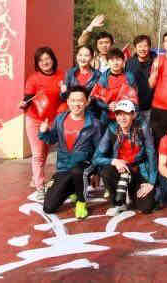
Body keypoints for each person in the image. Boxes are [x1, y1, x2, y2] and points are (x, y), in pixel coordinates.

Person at [39, 85, 103, 219]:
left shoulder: (94, 124)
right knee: (49, 207)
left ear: (87, 102)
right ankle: (73, 188)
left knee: (78, 171)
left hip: (84, 165)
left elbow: (99, 150)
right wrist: (44, 132)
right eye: (73, 100)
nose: (76, 104)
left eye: (80, 100)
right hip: (64, 167)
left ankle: (81, 202)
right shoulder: (60, 119)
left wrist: (97, 172)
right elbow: (52, 139)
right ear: (68, 101)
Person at [93, 100, 156, 215]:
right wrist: (115, 161)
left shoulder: (143, 128)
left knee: (146, 207)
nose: (122, 118)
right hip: (121, 169)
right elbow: (96, 158)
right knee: (107, 171)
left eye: (126, 114)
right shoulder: (112, 129)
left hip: (139, 170)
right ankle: (118, 203)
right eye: (119, 114)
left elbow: (151, 154)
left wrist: (151, 182)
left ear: (133, 115)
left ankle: (131, 192)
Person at [19, 47, 64, 201]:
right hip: (35, 120)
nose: (45, 62)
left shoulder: (61, 76)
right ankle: (40, 186)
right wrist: (23, 104)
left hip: (52, 121)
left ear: (53, 59)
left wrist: (65, 91)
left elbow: (64, 98)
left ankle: (35, 178)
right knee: (38, 154)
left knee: (45, 152)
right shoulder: (33, 79)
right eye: (41, 60)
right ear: (37, 63)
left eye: (47, 59)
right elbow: (27, 99)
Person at [90, 47, 138, 123]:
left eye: (118, 60)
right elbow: (97, 99)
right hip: (108, 116)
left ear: (123, 61)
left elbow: (134, 98)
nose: (115, 63)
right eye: (112, 60)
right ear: (108, 62)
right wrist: (107, 106)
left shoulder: (129, 77)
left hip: (125, 116)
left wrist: (123, 105)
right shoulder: (103, 78)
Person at [125, 35, 156, 123]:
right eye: (140, 46)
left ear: (149, 47)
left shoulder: (156, 62)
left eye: (145, 46)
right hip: (133, 107)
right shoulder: (129, 63)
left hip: (151, 107)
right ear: (135, 48)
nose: (142, 49)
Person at [59, 45, 100, 112]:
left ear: (92, 57)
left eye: (86, 55)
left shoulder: (98, 75)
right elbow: (63, 98)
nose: (82, 58)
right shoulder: (70, 73)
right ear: (76, 56)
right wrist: (63, 92)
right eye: (80, 55)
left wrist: (91, 99)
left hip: (90, 110)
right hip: (72, 110)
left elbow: (99, 97)